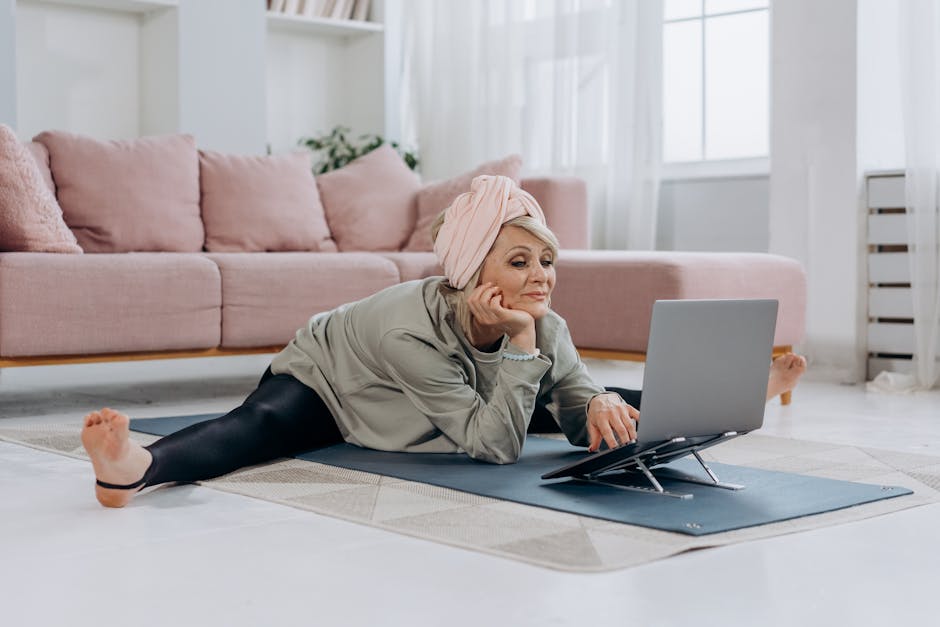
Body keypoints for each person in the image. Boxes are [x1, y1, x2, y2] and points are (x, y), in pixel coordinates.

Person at [81, 175, 807, 508]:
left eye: (546, 260)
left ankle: (740, 391)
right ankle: (134, 466)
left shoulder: (543, 323)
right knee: (261, 428)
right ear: (471, 271)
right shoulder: (411, 329)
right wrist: (525, 342)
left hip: (463, 391)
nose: (541, 278)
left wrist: (599, 406)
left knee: (577, 399)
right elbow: (492, 445)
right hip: (334, 381)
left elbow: (573, 391)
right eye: (519, 262)